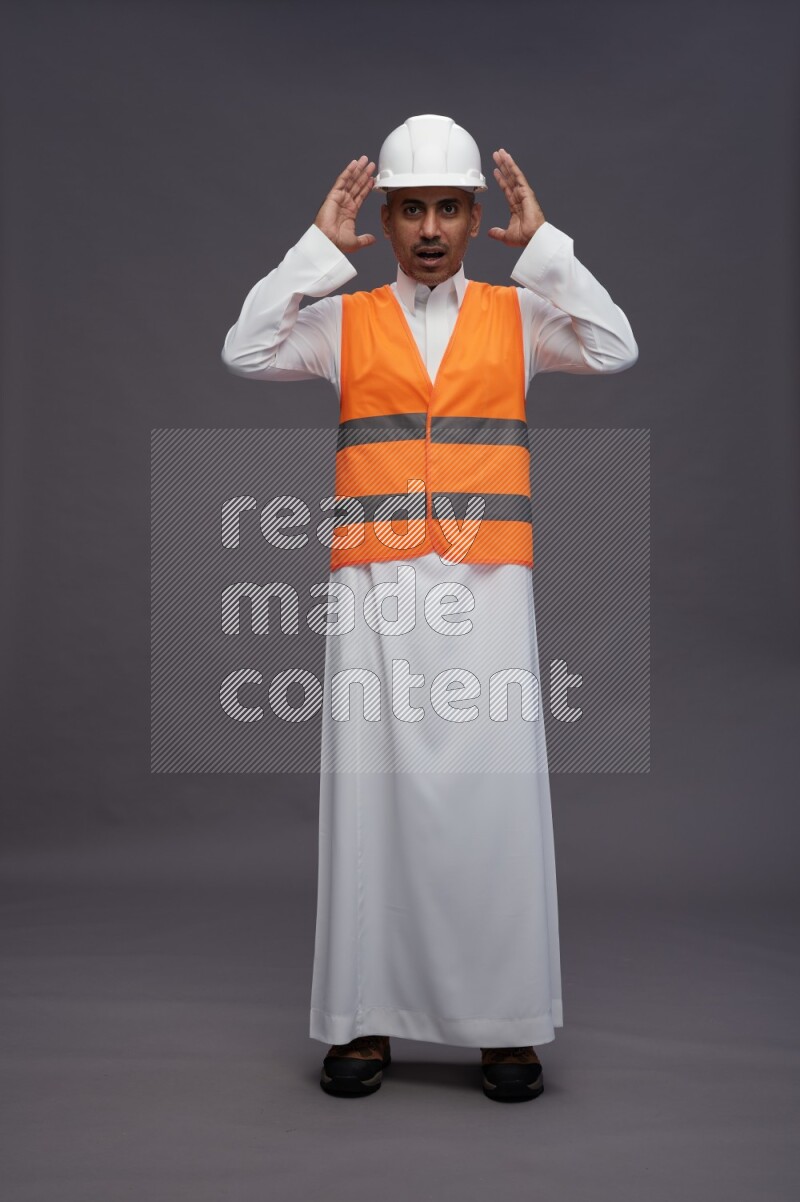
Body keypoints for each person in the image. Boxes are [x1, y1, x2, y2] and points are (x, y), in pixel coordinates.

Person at [221, 114, 638, 1103]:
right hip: (374, 588)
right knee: (370, 802)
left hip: (487, 587)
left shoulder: (520, 315)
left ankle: (504, 1027)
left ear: (475, 218)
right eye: (411, 209)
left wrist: (546, 250)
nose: (431, 229)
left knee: (493, 801)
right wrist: (315, 251)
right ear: (387, 220)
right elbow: (244, 349)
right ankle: (363, 1018)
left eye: (450, 208)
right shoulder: (343, 321)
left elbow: (615, 345)